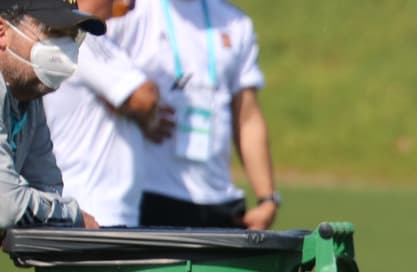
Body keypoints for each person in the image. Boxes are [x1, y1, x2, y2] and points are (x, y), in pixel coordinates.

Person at [106, 0, 280, 229]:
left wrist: (266, 199)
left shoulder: (235, 23)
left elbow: (247, 117)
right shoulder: (130, 10)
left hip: (219, 200)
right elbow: (90, 72)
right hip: (149, 193)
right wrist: (138, 112)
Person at [44, 0, 173, 227]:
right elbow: (144, 97)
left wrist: (127, 105)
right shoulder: (82, 37)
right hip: (96, 210)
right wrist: (142, 114)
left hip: (94, 207)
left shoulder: (79, 35)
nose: (129, 3)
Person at [0, 0, 103, 231]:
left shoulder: (27, 95)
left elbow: (47, 188)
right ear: (2, 33)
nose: (64, 49)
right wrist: (73, 216)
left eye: (70, 36)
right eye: (53, 32)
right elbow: (6, 207)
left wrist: (47, 212)